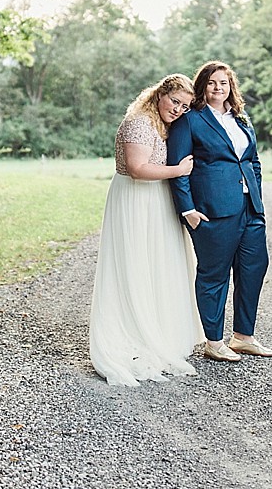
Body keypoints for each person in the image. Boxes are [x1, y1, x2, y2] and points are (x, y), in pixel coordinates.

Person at [89, 74, 204, 386]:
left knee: (159, 264)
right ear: (159, 95)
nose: (179, 109)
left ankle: (159, 329)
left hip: (156, 199)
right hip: (136, 199)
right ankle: (135, 331)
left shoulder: (162, 124)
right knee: (136, 263)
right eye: (175, 101)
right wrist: (178, 171)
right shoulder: (139, 121)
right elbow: (138, 169)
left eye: (185, 106)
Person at [167, 61, 272, 362]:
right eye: (212, 82)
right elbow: (180, 168)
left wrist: (258, 198)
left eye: (224, 83)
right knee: (214, 275)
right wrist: (187, 209)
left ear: (231, 86)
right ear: (203, 85)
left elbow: (253, 160)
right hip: (212, 210)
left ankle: (243, 337)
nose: (218, 88)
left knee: (254, 268)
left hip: (249, 206)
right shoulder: (190, 120)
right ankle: (214, 342)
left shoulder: (241, 118)